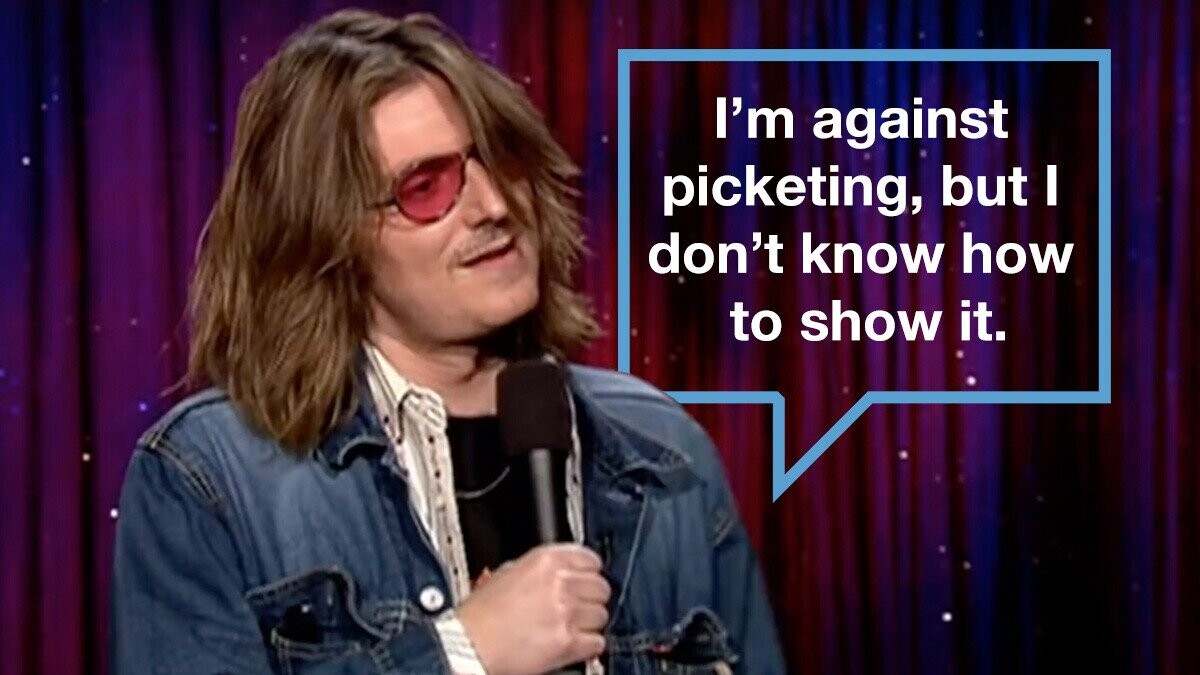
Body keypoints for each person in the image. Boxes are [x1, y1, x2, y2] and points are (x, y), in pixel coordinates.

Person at [110, 9, 785, 674]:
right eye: (426, 188)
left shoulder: (664, 453)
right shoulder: (209, 479)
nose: (494, 206)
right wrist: (463, 653)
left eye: (500, 158)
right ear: (328, 240)